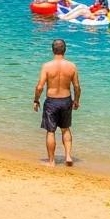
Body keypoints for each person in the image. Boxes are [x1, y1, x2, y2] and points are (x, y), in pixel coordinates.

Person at [33, 38, 81, 167]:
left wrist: (36, 100)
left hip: (52, 101)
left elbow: (39, 87)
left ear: (52, 50)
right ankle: (69, 156)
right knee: (65, 129)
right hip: (66, 100)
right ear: (65, 50)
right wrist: (76, 100)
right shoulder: (72, 66)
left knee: (50, 131)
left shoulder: (47, 66)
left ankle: (52, 161)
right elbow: (76, 86)